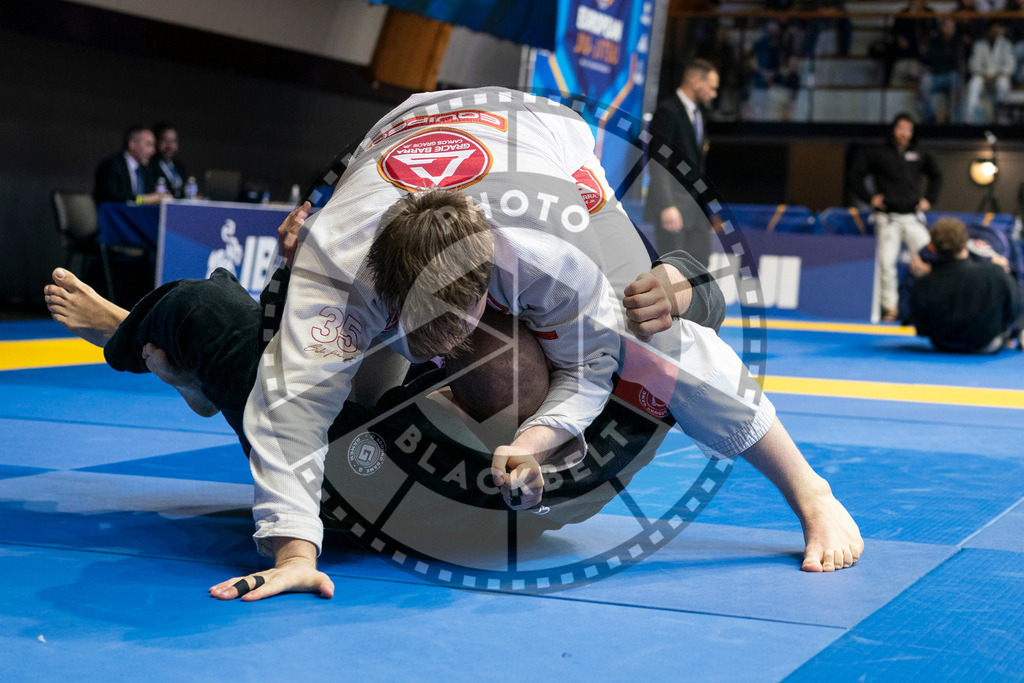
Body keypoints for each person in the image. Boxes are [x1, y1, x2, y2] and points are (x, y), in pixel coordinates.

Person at [60, 87, 862, 601]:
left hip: (543, 133)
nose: (447, 357)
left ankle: (810, 487)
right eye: (430, 346)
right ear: (388, 300)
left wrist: (540, 435)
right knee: (281, 367)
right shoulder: (341, 270)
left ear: (493, 282)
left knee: (655, 330)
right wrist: (296, 548)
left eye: (459, 341)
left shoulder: (553, 249)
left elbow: (608, 365)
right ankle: (163, 343)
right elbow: (289, 414)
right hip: (399, 134)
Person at [850, 113, 942, 322]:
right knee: (886, 264)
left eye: (908, 129)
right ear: (894, 129)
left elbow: (936, 176)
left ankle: (931, 304)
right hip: (887, 217)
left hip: (912, 217)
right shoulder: (879, 153)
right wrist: (869, 198)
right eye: (901, 128)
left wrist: (930, 199)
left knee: (930, 259)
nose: (904, 133)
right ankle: (890, 308)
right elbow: (856, 174)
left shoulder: (920, 153)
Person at [645, 60, 721, 266]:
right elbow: (659, 162)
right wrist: (667, 205)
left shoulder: (698, 116)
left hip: (696, 211)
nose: (714, 94)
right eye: (712, 88)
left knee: (700, 270)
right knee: (673, 271)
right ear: (696, 81)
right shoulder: (667, 112)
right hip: (675, 207)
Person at [909, 217, 1022, 351]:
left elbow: (919, 327)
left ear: (933, 247)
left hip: (942, 343)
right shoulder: (994, 273)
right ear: (965, 241)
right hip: (985, 344)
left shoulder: (924, 282)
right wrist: (1002, 275)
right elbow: (1014, 310)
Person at [93, 125, 168, 205]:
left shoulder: (147, 168)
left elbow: (151, 195)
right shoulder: (111, 165)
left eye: (154, 145)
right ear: (132, 144)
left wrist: (161, 196)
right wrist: (142, 199)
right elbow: (111, 196)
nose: (153, 151)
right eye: (148, 144)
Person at [964, 21, 1016, 123]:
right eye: (992, 31)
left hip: (998, 78)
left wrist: (998, 73)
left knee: (1003, 82)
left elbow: (1010, 65)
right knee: (975, 83)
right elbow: (973, 65)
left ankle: (1002, 115)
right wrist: (984, 74)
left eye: (996, 31)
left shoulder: (1005, 44)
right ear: (987, 32)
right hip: (983, 78)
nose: (994, 33)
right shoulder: (979, 45)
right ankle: (970, 118)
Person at [918, 17, 965, 124]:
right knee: (924, 82)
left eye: (952, 27)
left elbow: (956, 64)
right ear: (942, 27)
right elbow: (930, 59)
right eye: (947, 26)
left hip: (951, 76)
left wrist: (943, 59)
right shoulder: (933, 39)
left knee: (956, 80)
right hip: (935, 75)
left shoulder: (958, 42)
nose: (950, 29)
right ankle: (931, 119)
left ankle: (951, 119)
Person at [151, 123, 190, 199]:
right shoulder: (149, 166)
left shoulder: (180, 167)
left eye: (173, 141)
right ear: (156, 142)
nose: (169, 146)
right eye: (165, 141)